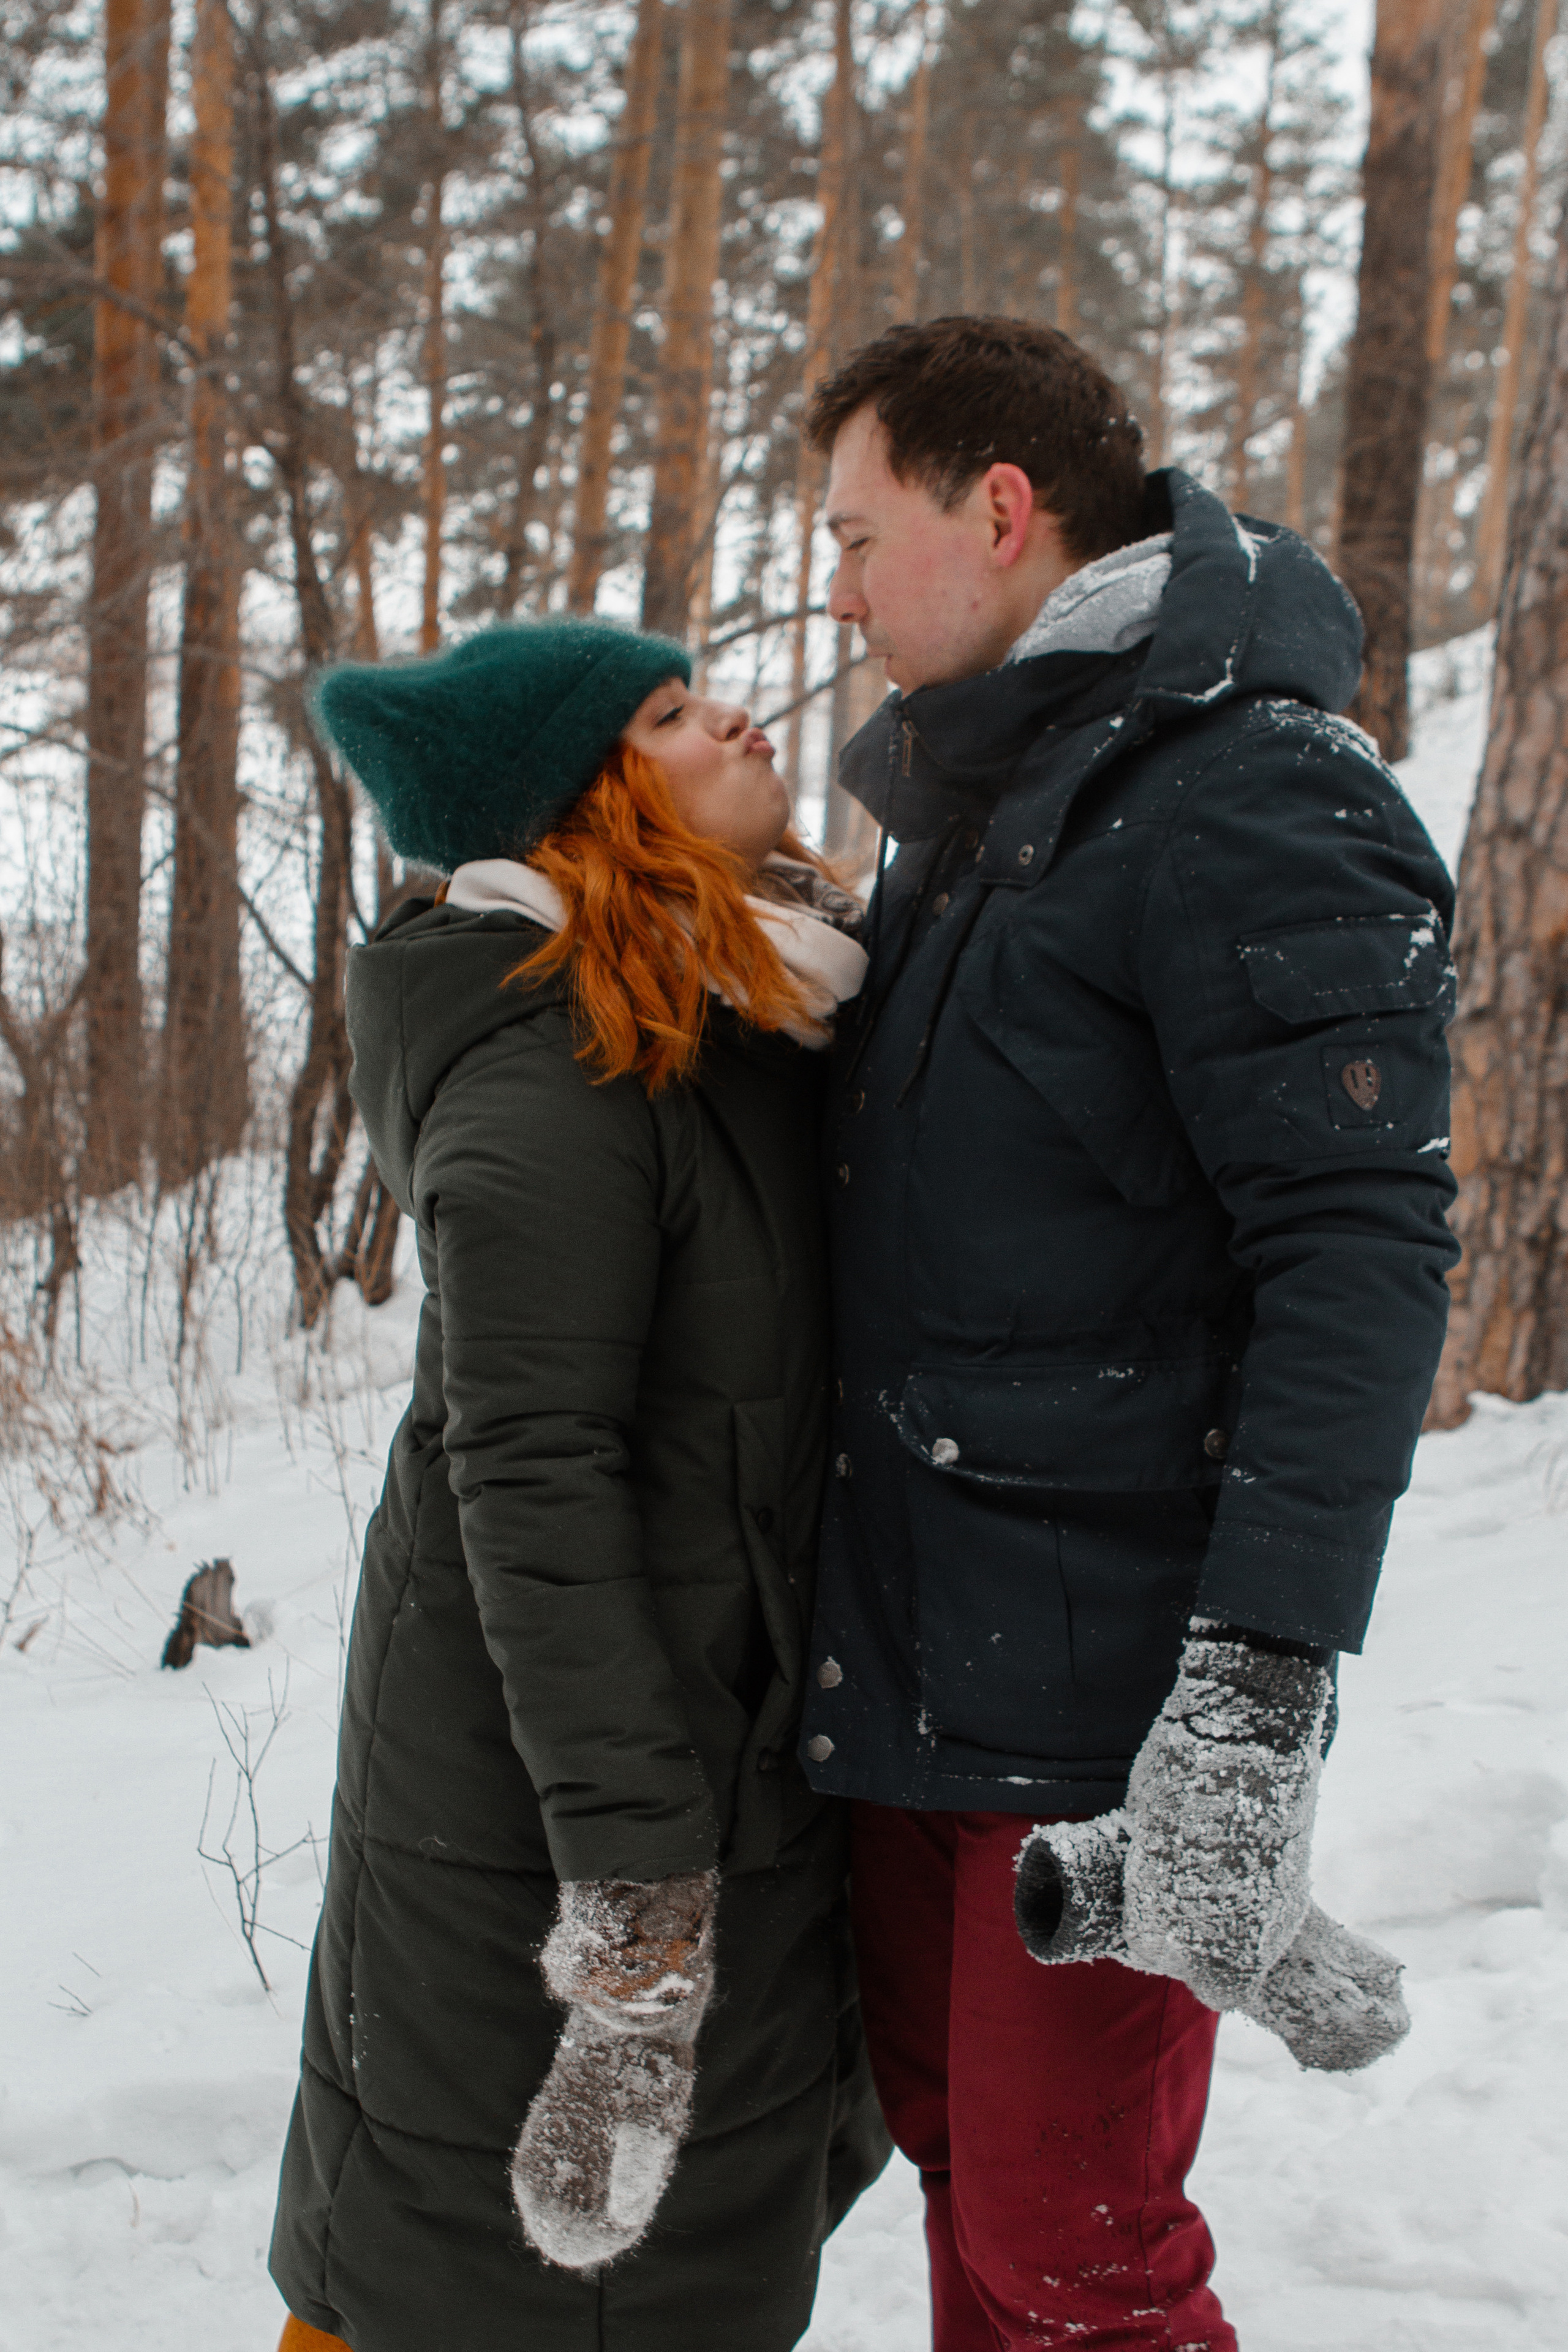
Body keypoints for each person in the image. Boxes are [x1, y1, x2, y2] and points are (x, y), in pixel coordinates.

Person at [794, 316, 1458, 2351]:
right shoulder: (977, 809)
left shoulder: (1255, 791)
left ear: (999, 512)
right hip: (909, 1653)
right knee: (967, 2185)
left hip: (1102, 1701)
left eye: (856, 531)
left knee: (1073, 2245)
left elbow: (1359, 1255)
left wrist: (1255, 1697)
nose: (835, 586)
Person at [268, 616, 889, 2352]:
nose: (737, 718)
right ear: (587, 808)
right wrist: (636, 1922)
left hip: (703, 1763)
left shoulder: (727, 1014)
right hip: (555, 1816)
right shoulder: (552, 1080)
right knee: (482, 2285)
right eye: (676, 715)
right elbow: (531, 1484)